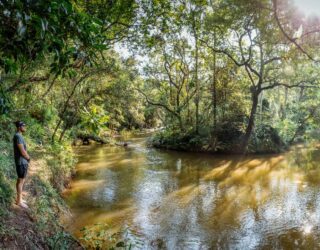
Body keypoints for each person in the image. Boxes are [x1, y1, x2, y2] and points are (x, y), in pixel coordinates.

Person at [13, 121, 30, 208]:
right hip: (21, 162)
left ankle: (19, 199)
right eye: (23, 126)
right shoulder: (18, 136)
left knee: (20, 181)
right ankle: (19, 202)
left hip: (21, 162)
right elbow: (22, 151)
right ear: (19, 127)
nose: (25, 127)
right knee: (21, 181)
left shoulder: (19, 136)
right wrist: (28, 158)